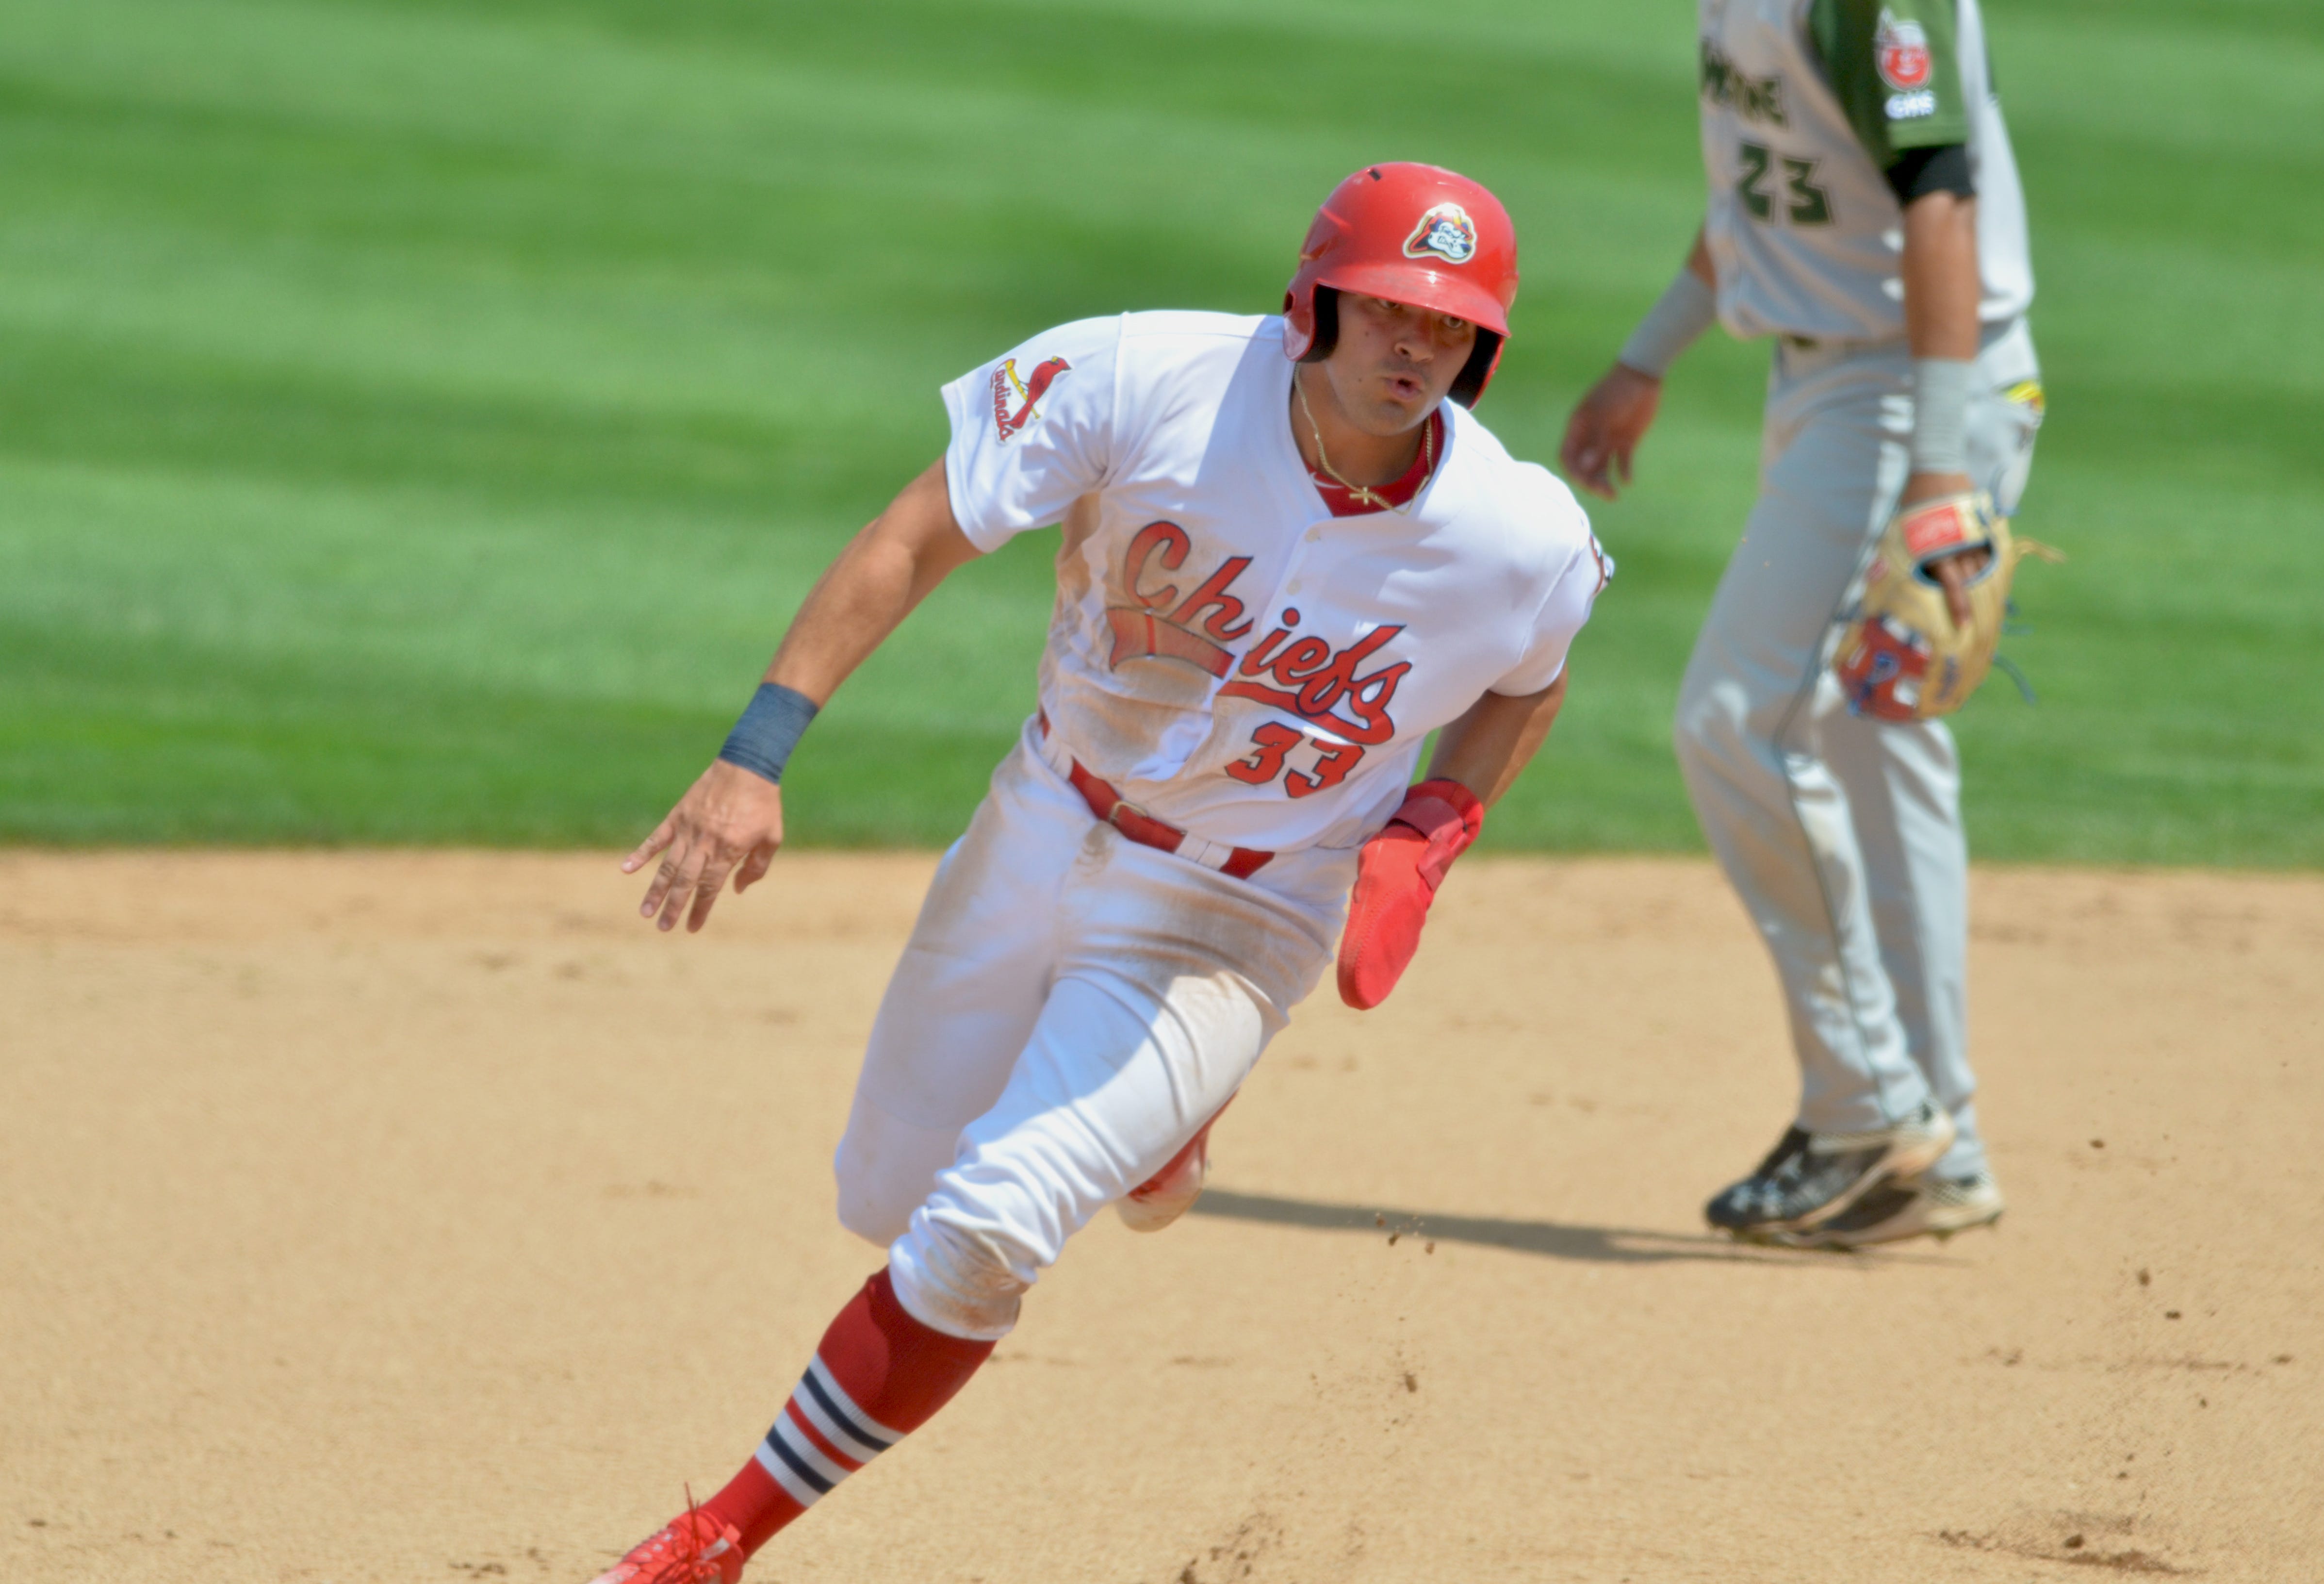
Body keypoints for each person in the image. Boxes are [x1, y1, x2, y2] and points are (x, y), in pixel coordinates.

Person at [588, 162, 1611, 1583]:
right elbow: (912, 535)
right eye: (1384, 312)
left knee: (980, 1233)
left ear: (1483, 349)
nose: (1412, 349)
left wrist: (1432, 825)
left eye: (1446, 328)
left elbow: (1531, 679)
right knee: (888, 1201)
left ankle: (719, 1539)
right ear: (1313, 298)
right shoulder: (1142, 377)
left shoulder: (1520, 534)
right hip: (1042, 820)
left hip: (1241, 911)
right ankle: (1162, 1132)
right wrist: (757, 753)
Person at [1562, 0, 2043, 1249]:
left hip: (1907, 389)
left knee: (1738, 723)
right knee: (1880, 755)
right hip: (1835, 378)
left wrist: (1939, 473)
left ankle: (1866, 1103)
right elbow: (1774, 192)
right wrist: (1646, 355)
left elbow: (1940, 195)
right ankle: (1941, 1145)